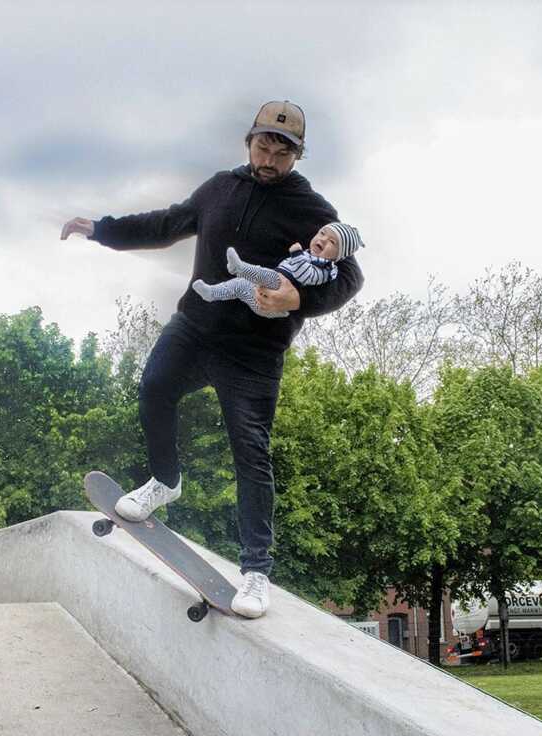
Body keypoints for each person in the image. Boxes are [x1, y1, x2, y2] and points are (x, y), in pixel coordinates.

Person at [60, 100, 364, 618]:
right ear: (249, 141)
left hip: (253, 353)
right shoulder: (219, 188)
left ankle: (256, 573)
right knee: (154, 387)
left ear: (297, 155)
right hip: (195, 327)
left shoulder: (311, 208)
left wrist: (298, 299)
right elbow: (165, 224)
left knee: (250, 453)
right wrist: (100, 229)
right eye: (264, 144)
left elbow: (351, 275)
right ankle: (164, 481)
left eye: (283, 151)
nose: (270, 158)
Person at [192, 222, 364, 318]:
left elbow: (307, 275)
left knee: (267, 274)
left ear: (338, 257)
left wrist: (296, 255)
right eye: (322, 233)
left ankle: (239, 267)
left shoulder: (325, 270)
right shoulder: (309, 254)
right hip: (263, 301)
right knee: (240, 286)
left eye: (333, 242)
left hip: (278, 291)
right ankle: (212, 293)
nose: (324, 240)